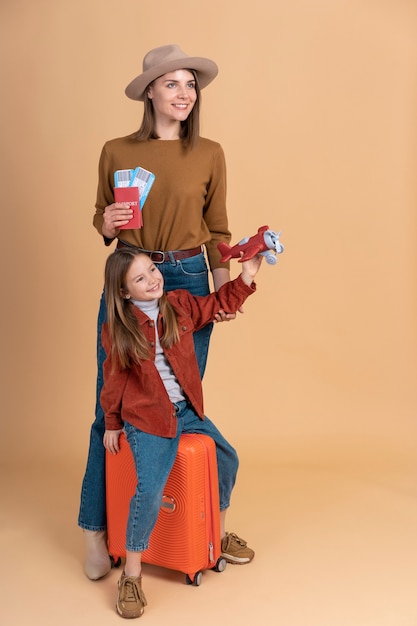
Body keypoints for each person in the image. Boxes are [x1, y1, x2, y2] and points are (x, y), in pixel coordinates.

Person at [78, 44, 242, 580]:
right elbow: (104, 221)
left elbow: (218, 231)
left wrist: (223, 288)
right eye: (172, 84)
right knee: (116, 405)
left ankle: (201, 522)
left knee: (179, 404)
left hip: (191, 276)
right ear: (149, 90)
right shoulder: (116, 149)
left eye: (190, 85)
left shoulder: (210, 152)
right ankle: (96, 532)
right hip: (131, 276)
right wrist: (107, 224)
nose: (184, 94)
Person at [101, 247, 261, 618]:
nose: (152, 279)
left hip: (186, 412)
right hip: (147, 419)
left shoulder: (180, 304)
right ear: (124, 292)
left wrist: (248, 274)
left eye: (151, 271)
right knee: (150, 491)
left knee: (227, 458)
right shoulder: (118, 330)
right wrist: (112, 422)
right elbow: (113, 380)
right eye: (139, 279)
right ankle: (131, 575)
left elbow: (221, 303)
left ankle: (216, 537)